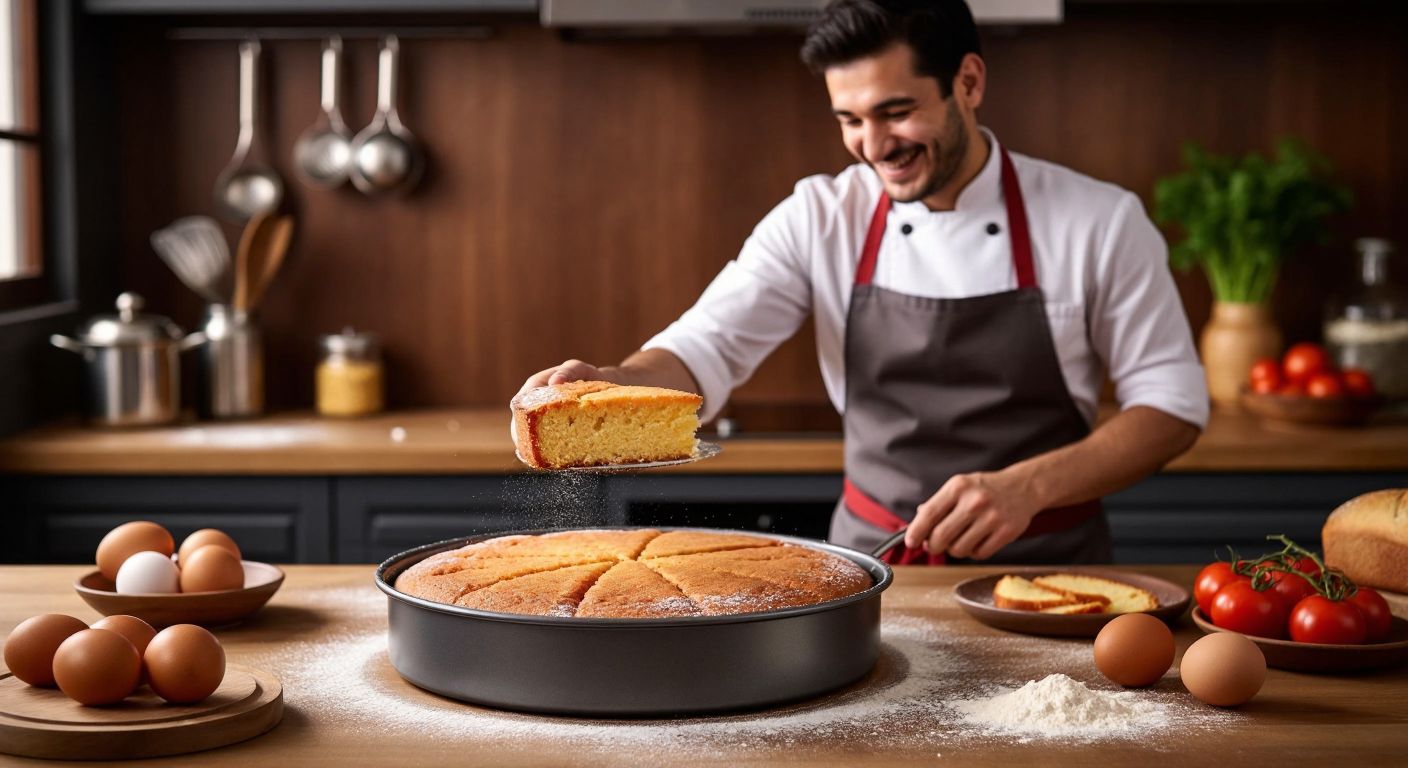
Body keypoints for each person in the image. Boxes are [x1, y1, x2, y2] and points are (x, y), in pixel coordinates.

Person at [516, 0, 1207, 564]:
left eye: (895, 111)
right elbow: (704, 351)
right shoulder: (822, 216)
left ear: (969, 83)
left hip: (1052, 569)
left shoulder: (1100, 221)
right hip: (877, 565)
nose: (873, 146)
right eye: (850, 119)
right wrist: (610, 381)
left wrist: (1030, 486)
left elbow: (1172, 408)